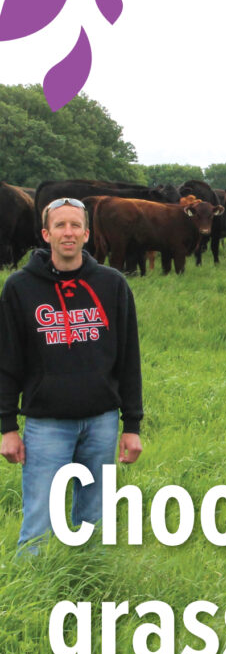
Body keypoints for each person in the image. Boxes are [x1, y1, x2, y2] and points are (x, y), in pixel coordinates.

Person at [0, 197, 143, 553]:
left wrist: (132, 426)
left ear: (87, 234)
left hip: (102, 421)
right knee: (38, 520)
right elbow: (7, 360)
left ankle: (90, 588)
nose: (68, 232)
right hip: (46, 424)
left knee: (95, 517)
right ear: (46, 234)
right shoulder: (19, 287)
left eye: (75, 225)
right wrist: (7, 427)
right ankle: (32, 598)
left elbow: (129, 358)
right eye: (60, 225)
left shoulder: (111, 284)